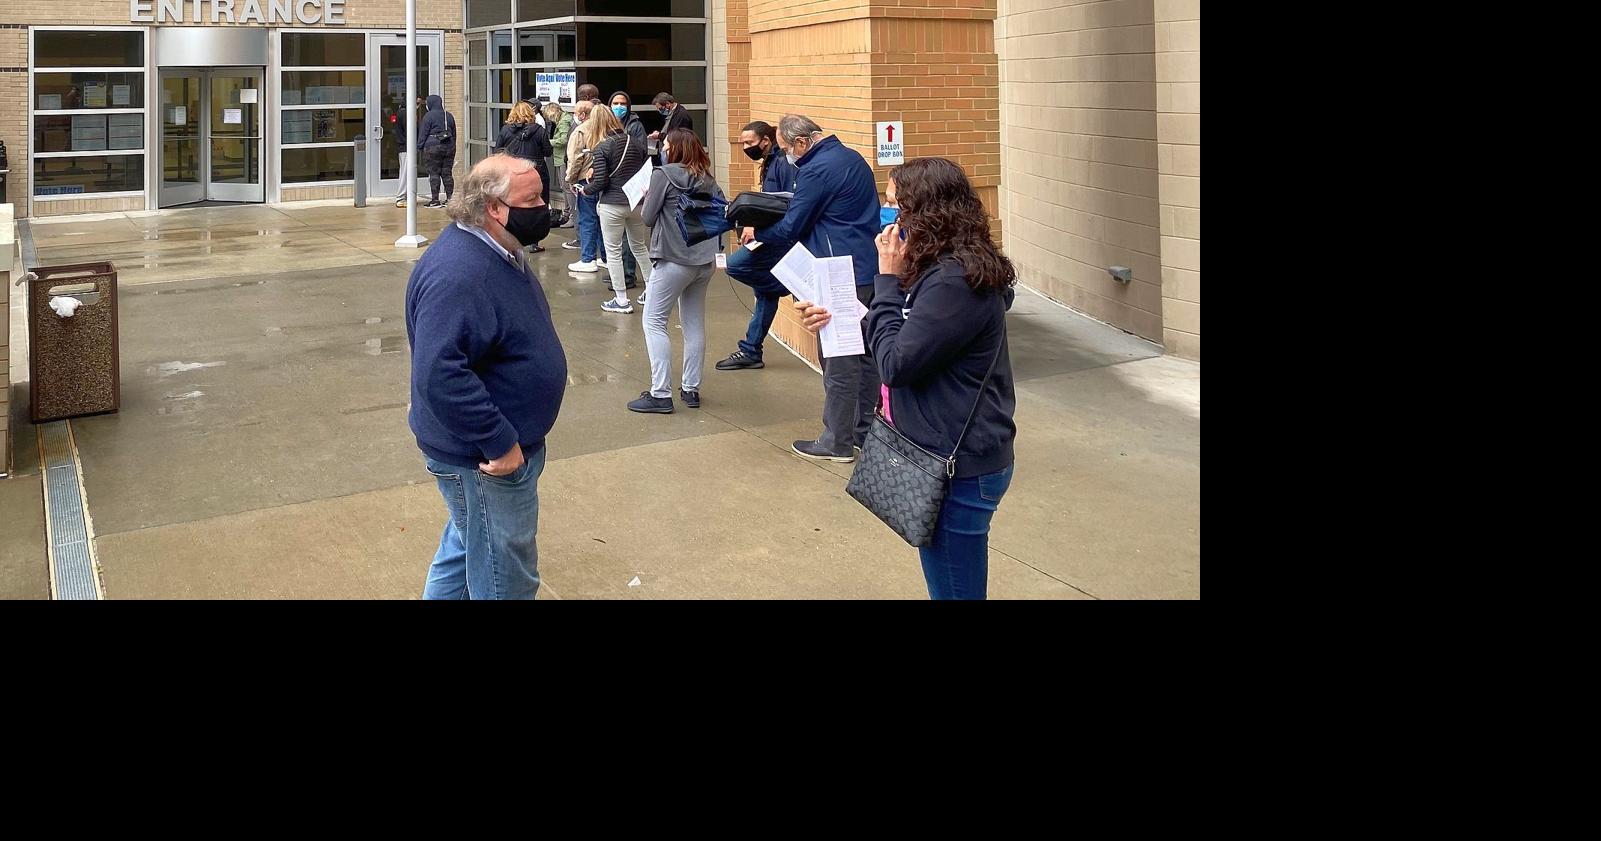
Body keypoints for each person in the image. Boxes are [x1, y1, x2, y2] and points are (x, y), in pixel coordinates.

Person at [796, 157, 1017, 600]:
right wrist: (843, 318)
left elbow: (896, 363)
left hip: (958, 463)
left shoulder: (956, 280)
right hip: (939, 447)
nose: (888, 220)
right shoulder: (942, 267)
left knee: (955, 590)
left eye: (896, 207)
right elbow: (912, 332)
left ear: (928, 213)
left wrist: (885, 279)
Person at [406, 153, 565, 600]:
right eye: (531, 198)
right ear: (493, 207)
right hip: (485, 460)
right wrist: (501, 442)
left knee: (463, 551)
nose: (543, 206)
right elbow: (439, 374)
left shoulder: (499, 248)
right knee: (506, 575)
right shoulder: (460, 272)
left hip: (497, 451)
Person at [747, 114, 882, 463]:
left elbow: (793, 226)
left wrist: (757, 234)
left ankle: (836, 441)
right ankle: (862, 432)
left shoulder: (816, 169)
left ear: (802, 143)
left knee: (837, 357)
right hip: (864, 267)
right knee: (864, 356)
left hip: (835, 272)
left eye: (786, 149)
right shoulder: (851, 157)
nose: (787, 156)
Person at [630, 128, 723, 414]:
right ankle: (691, 388)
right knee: (693, 323)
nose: (663, 148)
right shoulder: (708, 179)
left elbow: (647, 218)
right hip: (704, 261)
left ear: (674, 150)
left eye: (666, 145)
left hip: (673, 259)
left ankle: (660, 393)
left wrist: (647, 196)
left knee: (654, 322)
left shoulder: (663, 175)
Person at [714, 119, 801, 372]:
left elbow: (785, 204)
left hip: (779, 238)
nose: (745, 147)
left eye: (749, 143)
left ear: (766, 141)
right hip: (772, 235)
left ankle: (783, 283)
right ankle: (751, 350)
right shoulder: (772, 162)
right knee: (765, 294)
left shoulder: (784, 164)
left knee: (735, 266)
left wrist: (757, 227)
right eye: (742, 143)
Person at [579, 103, 652, 314]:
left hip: (612, 203)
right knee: (639, 246)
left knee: (613, 251)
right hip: (635, 202)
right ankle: (652, 290)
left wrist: (585, 190)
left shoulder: (602, 147)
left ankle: (621, 299)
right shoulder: (636, 143)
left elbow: (600, 181)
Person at [494, 101, 553, 251]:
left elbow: (497, 151)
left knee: (511, 204)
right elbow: (548, 151)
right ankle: (534, 242)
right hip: (536, 172)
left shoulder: (505, 130)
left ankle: (511, 238)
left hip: (512, 173)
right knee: (539, 204)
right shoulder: (539, 130)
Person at [564, 100, 605, 272]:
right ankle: (605, 257)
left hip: (584, 181)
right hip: (603, 180)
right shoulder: (605, 129)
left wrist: (570, 179)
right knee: (602, 220)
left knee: (587, 219)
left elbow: (575, 159)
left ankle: (588, 259)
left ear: (582, 114)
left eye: (576, 112)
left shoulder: (580, 131)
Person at [416, 94, 458, 208]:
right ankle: (450, 199)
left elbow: (423, 133)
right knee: (447, 173)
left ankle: (435, 200)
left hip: (432, 148)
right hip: (449, 147)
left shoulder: (428, 116)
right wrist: (452, 145)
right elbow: (454, 133)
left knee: (434, 173)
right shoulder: (448, 116)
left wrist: (419, 147)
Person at [543, 101, 574, 227]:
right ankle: (567, 213)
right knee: (564, 187)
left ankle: (571, 215)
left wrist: (547, 142)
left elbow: (563, 140)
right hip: (560, 158)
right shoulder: (563, 119)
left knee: (567, 188)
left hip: (563, 158)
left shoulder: (564, 121)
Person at [394, 96, 425, 208]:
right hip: (406, 147)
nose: (418, 106)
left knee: (406, 171)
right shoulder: (405, 113)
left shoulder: (401, 111)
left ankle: (404, 196)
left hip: (404, 147)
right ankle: (401, 197)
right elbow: (410, 130)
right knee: (405, 172)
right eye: (417, 103)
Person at [648, 92, 694, 164]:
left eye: (660, 108)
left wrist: (659, 135)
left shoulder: (681, 116)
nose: (660, 111)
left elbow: (676, 138)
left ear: (668, 104)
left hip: (677, 158)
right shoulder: (673, 114)